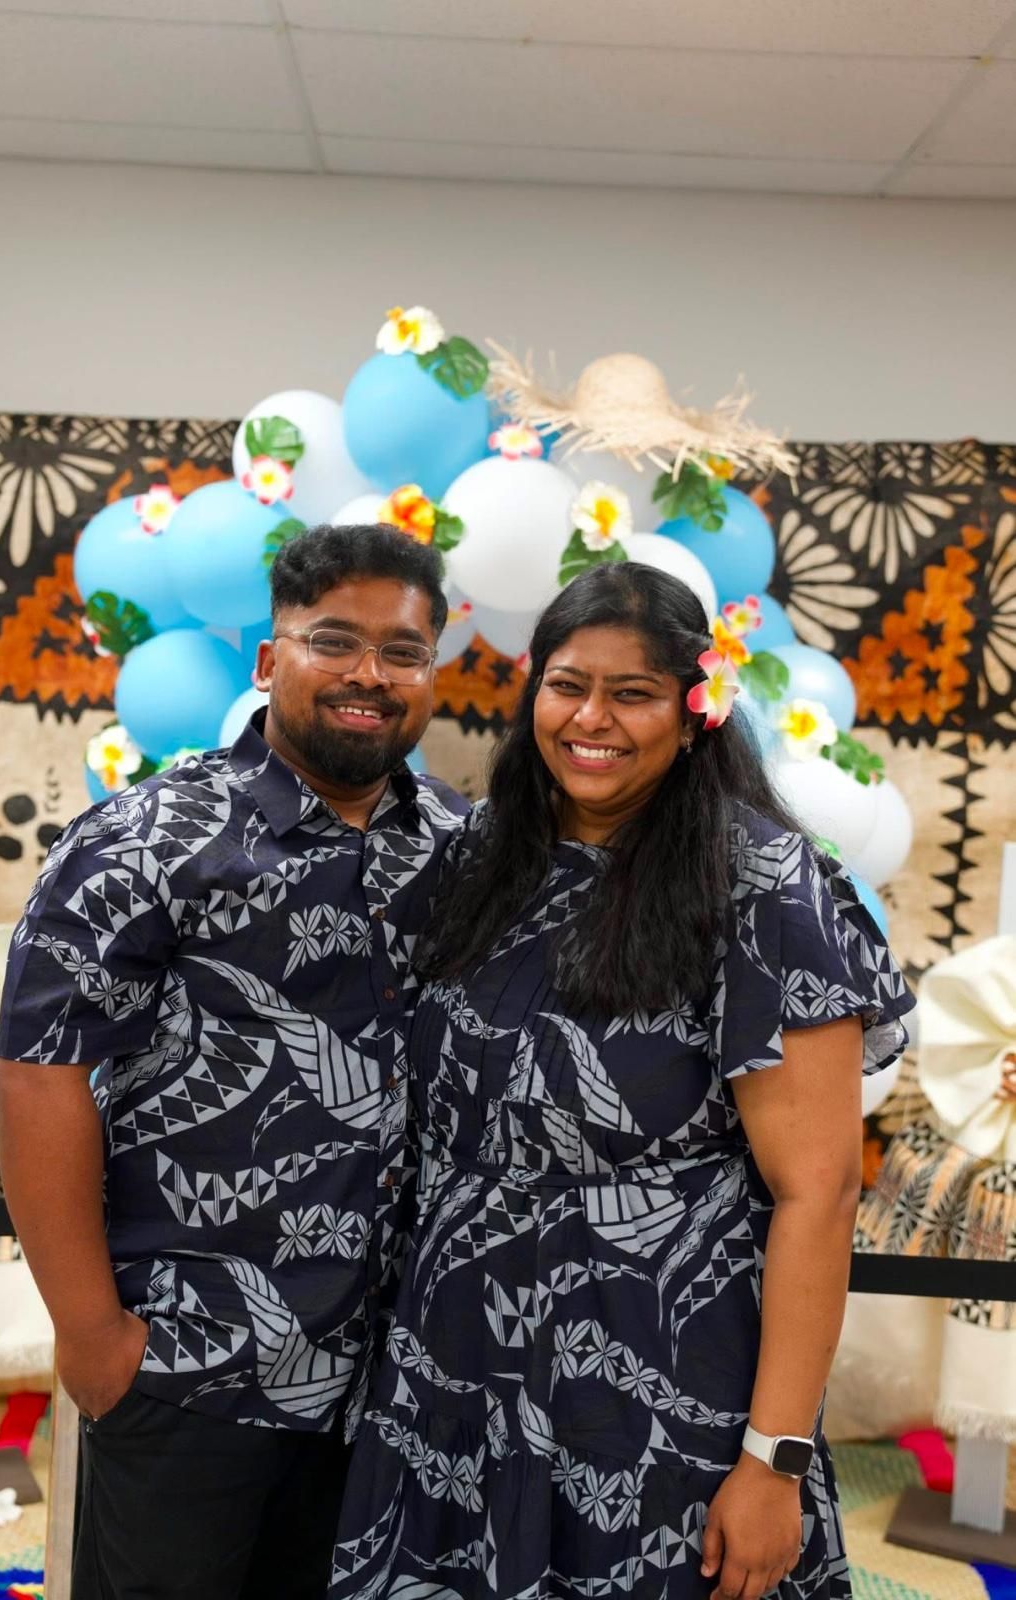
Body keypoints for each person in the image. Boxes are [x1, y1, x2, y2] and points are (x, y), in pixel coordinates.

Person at [329, 563, 913, 1600]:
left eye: (632, 693)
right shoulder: (482, 859)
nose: (591, 718)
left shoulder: (762, 884)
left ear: (693, 713)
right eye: (566, 684)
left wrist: (770, 1459)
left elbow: (815, 1191)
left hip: (656, 1376)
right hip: (452, 1357)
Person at [0, 524, 467, 1600]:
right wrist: (92, 1335)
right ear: (268, 659)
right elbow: (36, 1070)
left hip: (388, 1387)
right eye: (332, 641)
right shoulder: (151, 837)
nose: (367, 675)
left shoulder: (457, 844)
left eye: (401, 652)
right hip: (189, 1370)